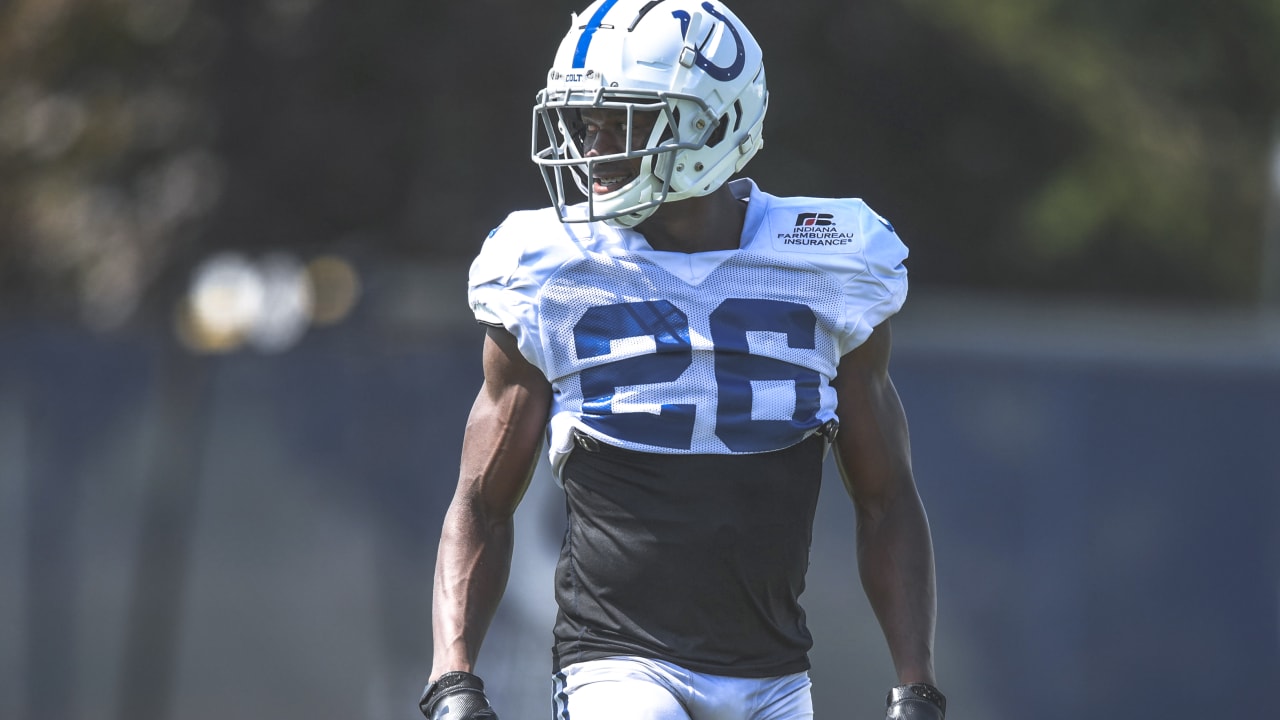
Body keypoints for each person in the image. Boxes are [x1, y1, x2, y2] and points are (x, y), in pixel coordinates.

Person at [420, 1, 944, 718]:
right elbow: (481, 498)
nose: (593, 149)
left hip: (776, 676)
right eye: (586, 122)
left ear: (711, 122)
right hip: (615, 664)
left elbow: (885, 497)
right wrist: (452, 674)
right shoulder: (549, 268)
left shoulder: (830, 260)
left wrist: (914, 682)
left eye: (623, 123)